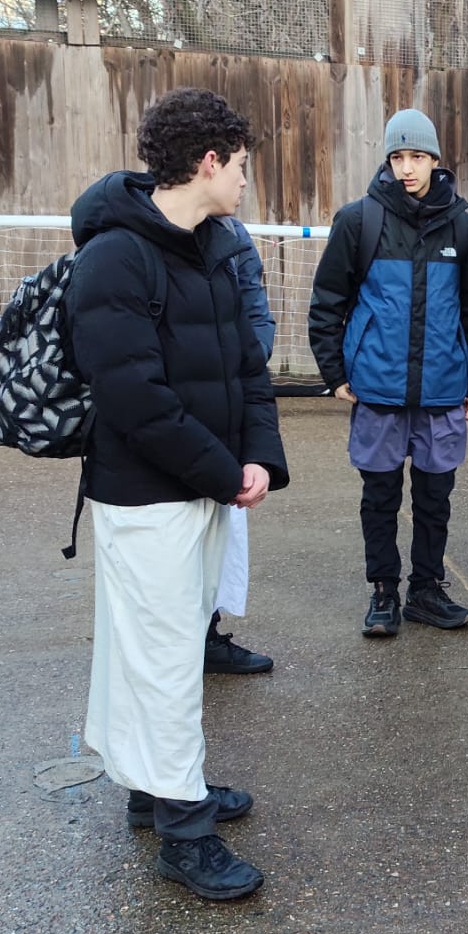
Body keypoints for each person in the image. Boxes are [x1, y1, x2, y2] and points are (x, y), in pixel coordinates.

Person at [66, 87, 288, 903]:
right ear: (208, 162)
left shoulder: (214, 247)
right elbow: (135, 400)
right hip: (146, 498)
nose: (245, 181)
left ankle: (154, 790)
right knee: (159, 662)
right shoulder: (113, 258)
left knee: (169, 645)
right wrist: (223, 472)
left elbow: (247, 368)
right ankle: (184, 835)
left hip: (203, 489)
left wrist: (258, 458)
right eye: (241, 166)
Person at [307, 108, 468, 636]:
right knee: (380, 497)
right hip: (378, 390)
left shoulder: (464, 227)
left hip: (443, 391)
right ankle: (384, 591)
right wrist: (334, 373)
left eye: (417, 156)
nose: (406, 167)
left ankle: (427, 590)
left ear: (435, 159)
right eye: (397, 156)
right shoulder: (359, 221)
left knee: (435, 501)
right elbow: (328, 301)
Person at [204, 216, 275, 676]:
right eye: (237, 175)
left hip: (224, 405)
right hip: (171, 411)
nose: (244, 182)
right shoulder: (134, 239)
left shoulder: (233, 236)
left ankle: (206, 635)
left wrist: (249, 358)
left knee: (222, 527)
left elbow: (254, 307)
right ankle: (171, 644)